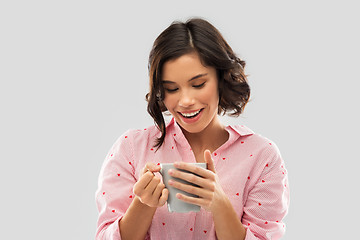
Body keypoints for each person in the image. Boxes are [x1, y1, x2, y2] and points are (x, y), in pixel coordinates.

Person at [95, 17, 290, 240]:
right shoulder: (131, 149)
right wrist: (143, 204)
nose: (185, 100)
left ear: (221, 78)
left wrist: (219, 204)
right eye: (172, 88)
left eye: (198, 85)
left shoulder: (261, 156)